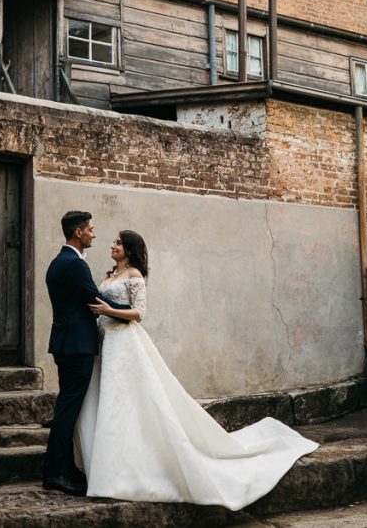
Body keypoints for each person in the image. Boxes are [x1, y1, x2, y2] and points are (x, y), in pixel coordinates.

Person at [75, 230, 318, 511]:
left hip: (125, 341)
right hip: (104, 341)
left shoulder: (134, 275)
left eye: (118, 242)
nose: (112, 245)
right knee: (108, 402)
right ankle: (108, 465)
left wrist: (108, 310)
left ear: (129, 249)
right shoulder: (109, 275)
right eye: (114, 242)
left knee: (126, 403)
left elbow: (140, 313)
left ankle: (126, 470)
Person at [42, 211, 106, 496]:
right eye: (90, 229)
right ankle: (55, 473)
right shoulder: (72, 264)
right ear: (78, 232)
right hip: (76, 345)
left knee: (69, 409)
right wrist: (128, 310)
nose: (94, 233)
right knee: (67, 410)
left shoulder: (63, 261)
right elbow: (94, 298)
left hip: (68, 343)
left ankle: (65, 468)